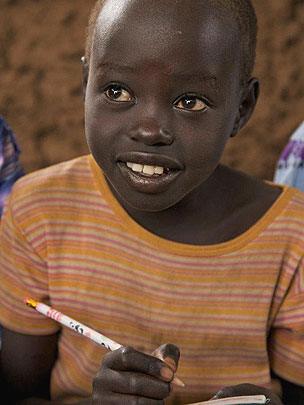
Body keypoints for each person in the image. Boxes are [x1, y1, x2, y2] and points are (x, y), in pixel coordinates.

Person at [0, 0, 303, 404]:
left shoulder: (292, 239)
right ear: (86, 80)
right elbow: (18, 394)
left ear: (242, 108)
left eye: (190, 101)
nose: (149, 129)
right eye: (116, 91)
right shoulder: (39, 211)